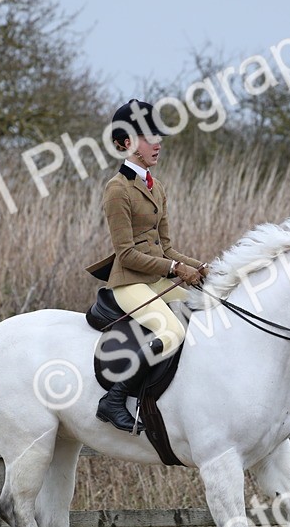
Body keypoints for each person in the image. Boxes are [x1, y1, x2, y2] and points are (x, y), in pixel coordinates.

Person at [85, 99, 209, 434]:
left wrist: (203, 267)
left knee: (205, 311)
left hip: (154, 279)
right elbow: (125, 254)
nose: (157, 142)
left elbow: (166, 247)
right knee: (172, 331)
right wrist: (174, 269)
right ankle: (114, 399)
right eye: (147, 136)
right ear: (125, 143)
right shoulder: (117, 189)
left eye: (158, 134)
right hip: (129, 283)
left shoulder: (156, 186)